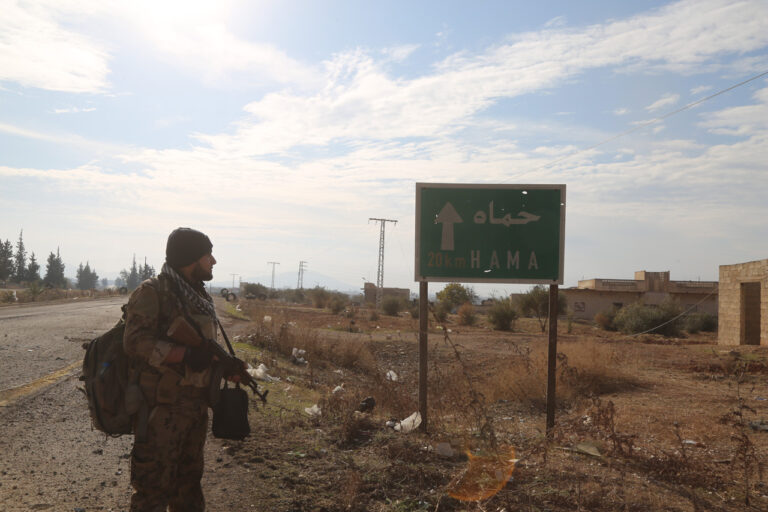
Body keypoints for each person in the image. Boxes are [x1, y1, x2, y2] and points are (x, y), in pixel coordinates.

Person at [123, 227, 226, 511]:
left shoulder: (198, 295)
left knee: (189, 487)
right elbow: (134, 342)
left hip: (194, 407)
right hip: (161, 408)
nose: (213, 261)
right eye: (208, 255)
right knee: (153, 489)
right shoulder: (153, 292)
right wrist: (184, 355)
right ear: (192, 258)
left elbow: (205, 350)